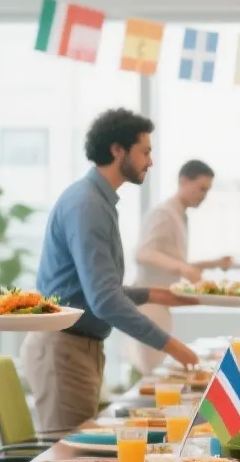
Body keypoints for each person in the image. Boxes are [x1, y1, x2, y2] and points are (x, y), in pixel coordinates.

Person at [24, 108, 199, 432]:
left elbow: (95, 288)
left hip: (77, 348)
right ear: (118, 150)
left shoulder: (97, 201)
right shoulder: (88, 205)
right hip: (64, 350)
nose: (150, 161)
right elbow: (104, 299)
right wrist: (172, 346)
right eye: (145, 152)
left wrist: (155, 294)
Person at [130, 159, 235, 374]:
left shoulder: (179, 215)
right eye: (201, 189)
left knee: (158, 370)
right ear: (184, 181)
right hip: (149, 304)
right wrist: (182, 268)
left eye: (207, 191)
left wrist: (214, 263)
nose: (204, 196)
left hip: (163, 303)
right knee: (153, 374)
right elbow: (143, 253)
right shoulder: (163, 213)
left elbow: (173, 261)